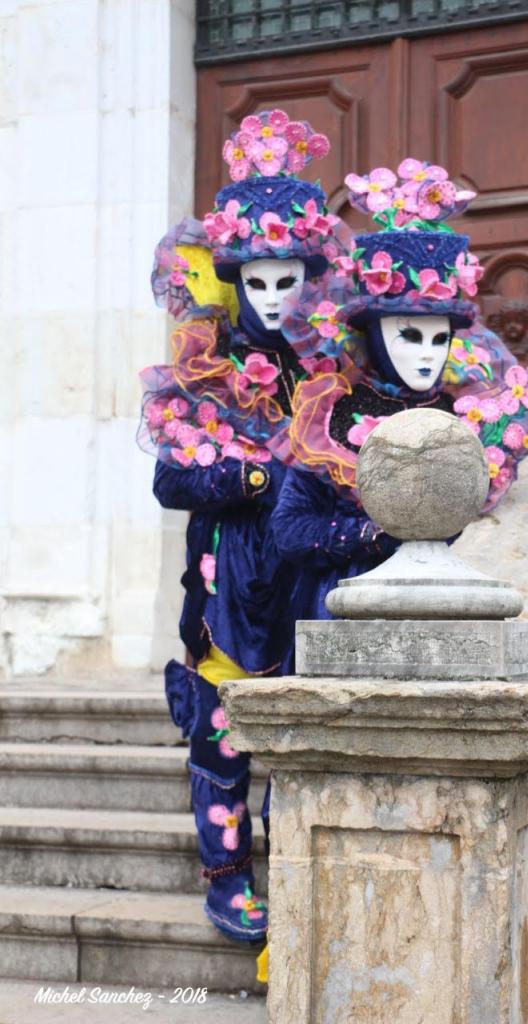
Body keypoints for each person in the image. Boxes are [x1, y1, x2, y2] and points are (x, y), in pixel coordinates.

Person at [138, 110, 349, 944]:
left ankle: (297, 871)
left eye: (287, 281)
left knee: (301, 728)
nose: (273, 299)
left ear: (309, 278)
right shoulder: (208, 370)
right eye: (257, 282)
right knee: (223, 725)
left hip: (311, 568)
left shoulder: (337, 364)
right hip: (230, 569)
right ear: (236, 279)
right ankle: (227, 876)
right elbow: (169, 478)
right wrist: (262, 472)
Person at [270, 158, 528, 619]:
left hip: (450, 614)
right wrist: (371, 534)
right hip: (345, 613)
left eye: (439, 338)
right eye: (410, 336)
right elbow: (290, 529)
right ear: (373, 336)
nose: (428, 354)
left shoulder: (469, 417)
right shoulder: (333, 415)